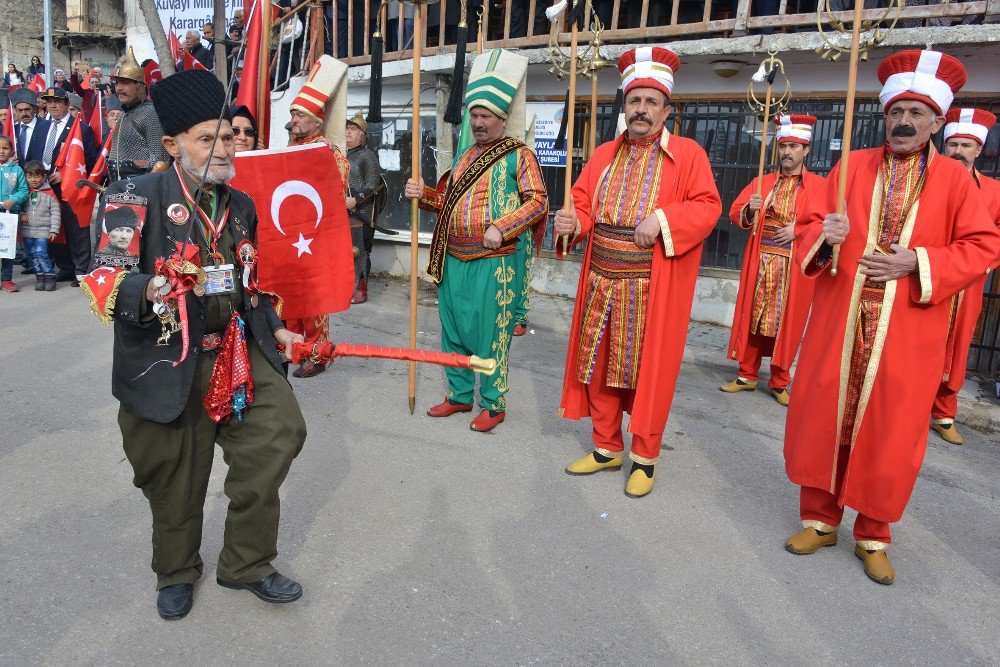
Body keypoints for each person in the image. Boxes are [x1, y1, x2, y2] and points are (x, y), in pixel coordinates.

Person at [81, 68, 308, 621]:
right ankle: (177, 569)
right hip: (166, 355)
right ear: (172, 143)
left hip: (236, 349)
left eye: (228, 135)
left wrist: (274, 325)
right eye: (208, 138)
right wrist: (153, 287)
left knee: (278, 433)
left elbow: (249, 284)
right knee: (174, 470)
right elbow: (103, 277)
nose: (223, 147)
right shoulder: (132, 196)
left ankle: (246, 563)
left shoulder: (243, 205)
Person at [782, 50, 1000, 585]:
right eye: (896, 111)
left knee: (892, 430)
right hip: (842, 320)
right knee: (825, 415)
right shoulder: (851, 167)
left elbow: (982, 245)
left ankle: (874, 533)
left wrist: (918, 261)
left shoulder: (955, 179)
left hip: (907, 328)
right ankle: (820, 519)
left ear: (936, 121)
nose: (904, 122)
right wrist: (823, 238)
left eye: (917, 113)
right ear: (884, 114)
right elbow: (810, 226)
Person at [558, 47, 722, 498]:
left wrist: (664, 219)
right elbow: (584, 202)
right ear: (625, 106)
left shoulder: (688, 155)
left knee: (647, 374)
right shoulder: (604, 153)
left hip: (650, 286)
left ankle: (645, 459)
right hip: (599, 279)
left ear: (667, 110)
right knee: (597, 366)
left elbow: (709, 206)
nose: (641, 110)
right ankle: (606, 447)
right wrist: (573, 222)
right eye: (635, 101)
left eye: (651, 102)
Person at [406, 49, 548, 432]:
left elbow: (538, 202)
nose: (479, 122)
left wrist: (502, 226)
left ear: (503, 120)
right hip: (453, 259)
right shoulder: (465, 156)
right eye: (475, 115)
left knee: (490, 335)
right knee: (453, 330)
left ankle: (494, 403)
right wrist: (424, 194)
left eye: (486, 116)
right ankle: (459, 395)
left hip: (494, 259)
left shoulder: (521, 156)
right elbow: (446, 202)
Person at [721, 115, 825, 405]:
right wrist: (750, 210)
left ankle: (780, 381)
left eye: (794, 146)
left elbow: (829, 222)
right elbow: (735, 212)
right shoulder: (761, 181)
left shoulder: (819, 186)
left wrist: (801, 229)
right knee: (752, 318)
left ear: (806, 150)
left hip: (793, 266)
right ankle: (747, 375)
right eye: (783, 146)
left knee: (787, 323)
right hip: (761, 260)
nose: (787, 152)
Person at [928, 108, 1000, 445]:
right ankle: (909, 407)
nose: (958, 150)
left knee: (956, 346)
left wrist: (976, 264)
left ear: (979, 149)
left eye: (966, 145)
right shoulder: (927, 181)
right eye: (953, 143)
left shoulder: (994, 192)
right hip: (925, 274)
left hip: (967, 283)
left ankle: (943, 412)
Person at [285, 55, 351, 378]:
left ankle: (319, 354)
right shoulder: (290, 147)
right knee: (292, 298)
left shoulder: (330, 153)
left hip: (317, 237)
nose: (294, 119)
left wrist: (316, 159)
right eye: (293, 114)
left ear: (316, 119)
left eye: (299, 114)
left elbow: (336, 187)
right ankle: (296, 348)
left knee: (314, 302)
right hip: (289, 236)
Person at [40, 86, 99, 283]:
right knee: (56, 228)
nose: (52, 105)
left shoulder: (81, 129)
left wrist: (65, 174)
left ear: (67, 104)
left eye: (57, 101)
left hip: (71, 187)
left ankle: (81, 269)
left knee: (76, 229)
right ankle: (65, 266)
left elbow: (89, 159)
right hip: (46, 186)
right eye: (49, 102)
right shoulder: (43, 126)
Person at [108, 48, 170, 183]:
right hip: (118, 185)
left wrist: (146, 187)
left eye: (125, 83)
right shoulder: (125, 115)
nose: (119, 88)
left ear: (140, 86)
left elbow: (160, 161)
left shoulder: (150, 113)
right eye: (117, 83)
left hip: (140, 187)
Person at [344, 111, 381, 304]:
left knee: (359, 251)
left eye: (353, 128)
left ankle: (361, 289)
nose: (348, 132)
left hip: (362, 214)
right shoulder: (339, 155)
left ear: (362, 135)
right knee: (343, 252)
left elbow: (374, 183)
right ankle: (345, 287)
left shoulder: (367, 156)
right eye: (347, 128)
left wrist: (356, 199)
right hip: (342, 214)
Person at [19, 160, 60, 290]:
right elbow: (17, 206)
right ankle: (39, 276)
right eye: (30, 176)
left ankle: (49, 275)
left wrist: (54, 230)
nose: (33, 180)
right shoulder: (24, 193)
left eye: (37, 176)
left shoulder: (49, 194)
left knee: (41, 252)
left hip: (43, 230)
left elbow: (55, 213)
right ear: (25, 177)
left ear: (43, 177)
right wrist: (21, 214)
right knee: (31, 254)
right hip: (27, 230)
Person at [0, 135, 28, 292]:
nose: (2, 151)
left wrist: (14, 200)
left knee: (7, 247)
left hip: (9, 213)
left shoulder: (17, 170)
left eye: (5, 148)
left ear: (11, 151)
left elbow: (24, 191)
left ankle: (6, 278)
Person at [11, 88, 53, 166]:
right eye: (20, 110)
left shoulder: (47, 126)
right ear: (15, 110)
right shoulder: (13, 130)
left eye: (27, 109)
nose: (24, 113)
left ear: (35, 109)